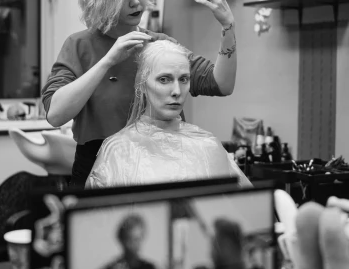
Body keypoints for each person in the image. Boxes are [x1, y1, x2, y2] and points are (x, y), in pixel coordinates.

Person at [42, 0, 237, 188]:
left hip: (160, 167)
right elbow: (55, 115)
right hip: (96, 173)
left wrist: (227, 25)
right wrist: (108, 61)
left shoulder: (160, 46)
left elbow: (222, 84)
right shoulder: (79, 46)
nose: (136, 2)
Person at [85, 40, 251, 188]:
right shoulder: (118, 150)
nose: (177, 91)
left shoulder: (209, 146)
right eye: (164, 79)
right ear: (142, 84)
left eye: (184, 79)